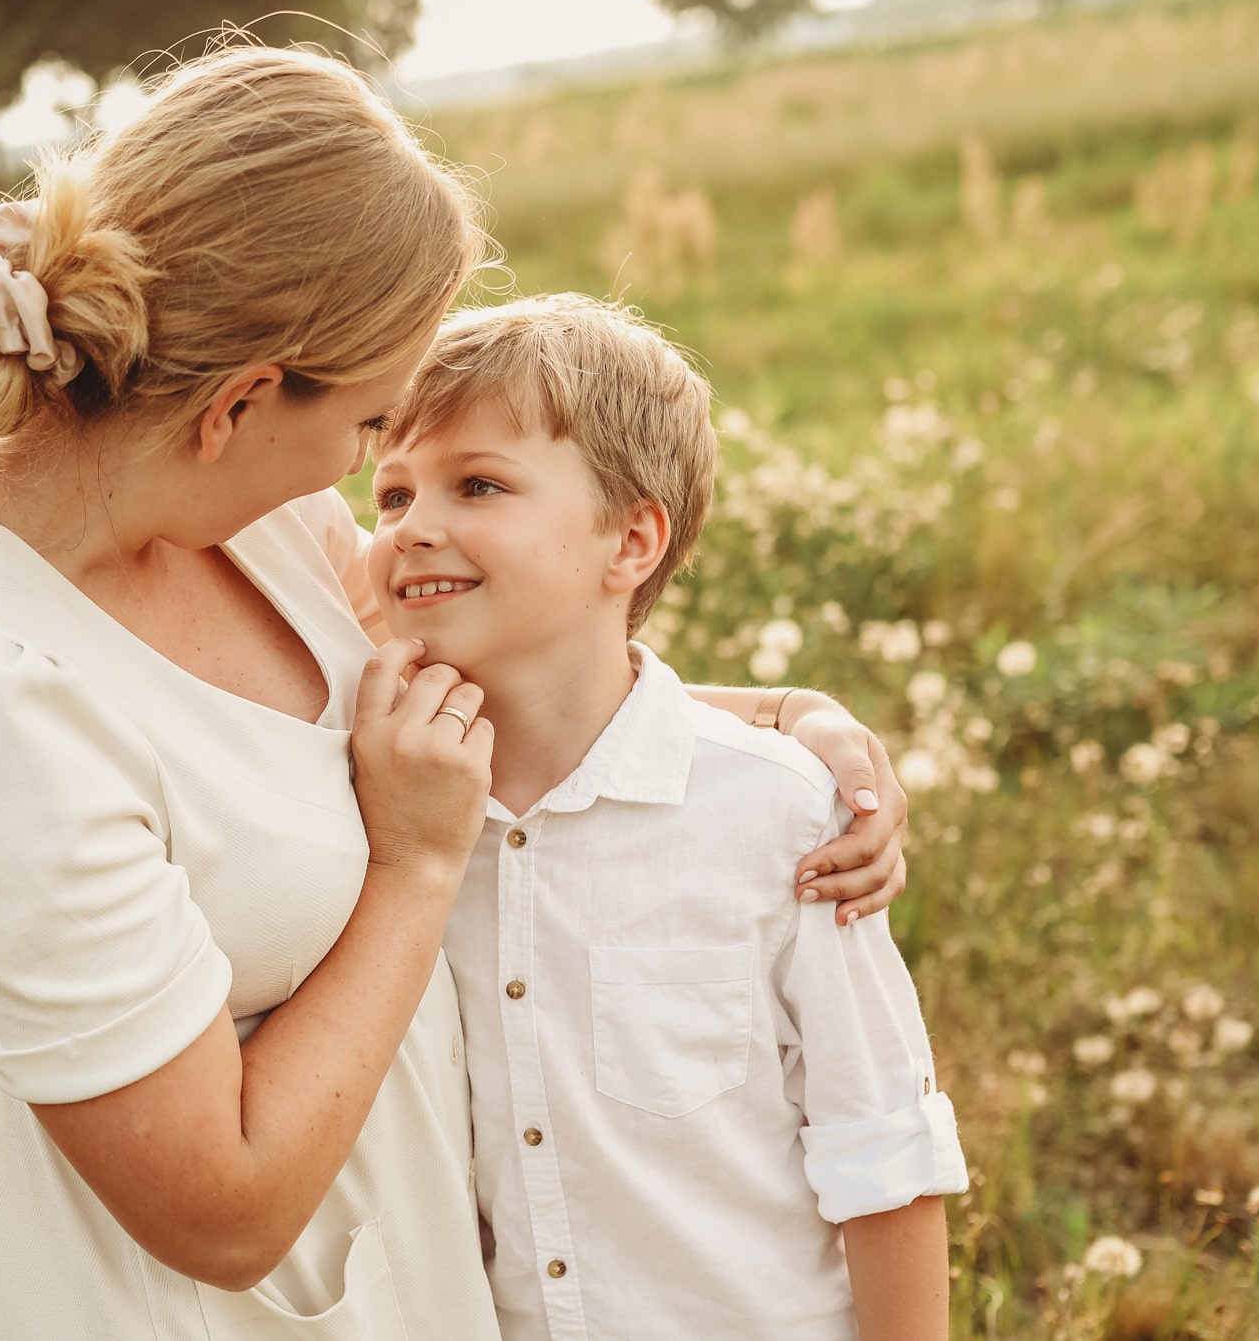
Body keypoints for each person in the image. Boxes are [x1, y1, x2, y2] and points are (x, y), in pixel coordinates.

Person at [0, 44, 912, 1338]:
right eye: (368, 430)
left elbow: (484, 683)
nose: (365, 484)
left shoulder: (248, 511)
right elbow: (219, 1214)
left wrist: (783, 722)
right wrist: (412, 868)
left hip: (408, 1246)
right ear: (236, 402)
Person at [366, 294, 967, 1341]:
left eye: (478, 485)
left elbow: (883, 1151)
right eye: (390, 493)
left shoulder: (779, 814)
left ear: (630, 540)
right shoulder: (394, 801)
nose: (414, 525)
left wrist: (793, 719)